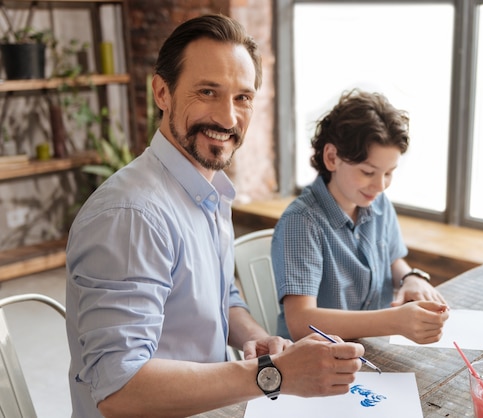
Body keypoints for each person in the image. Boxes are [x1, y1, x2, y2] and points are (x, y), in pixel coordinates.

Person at [65, 14, 364, 418]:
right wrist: (271, 374)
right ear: (162, 92)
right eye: (208, 91)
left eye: (242, 97)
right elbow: (120, 390)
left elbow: (219, 294)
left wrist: (257, 339)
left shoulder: (208, 189)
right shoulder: (131, 215)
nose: (227, 118)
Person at [272, 89, 449, 344]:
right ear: (332, 157)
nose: (380, 185)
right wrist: (395, 320)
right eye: (368, 172)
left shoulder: (378, 203)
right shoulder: (302, 222)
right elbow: (301, 322)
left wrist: (411, 278)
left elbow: (392, 261)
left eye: (389, 172)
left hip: (370, 350)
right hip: (318, 362)